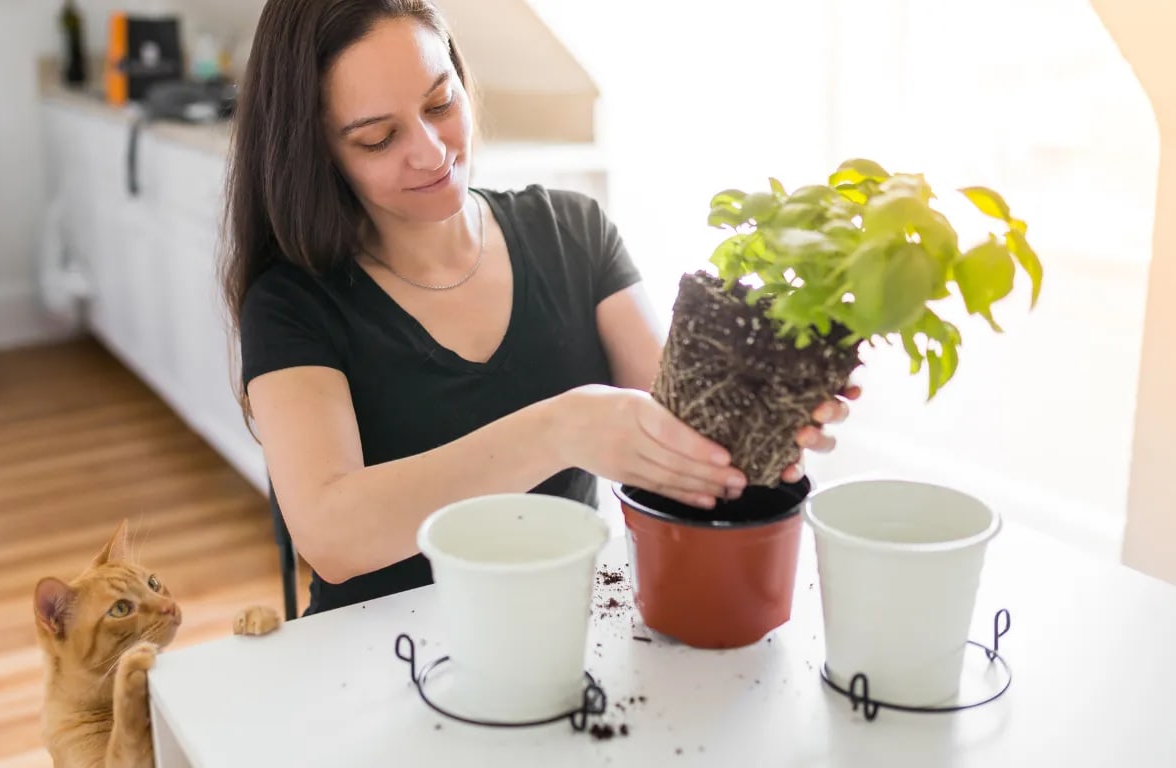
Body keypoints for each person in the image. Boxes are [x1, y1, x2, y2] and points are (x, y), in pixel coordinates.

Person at [221, 0, 856, 615]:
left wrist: (768, 416)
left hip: (561, 629)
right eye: (379, 139)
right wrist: (564, 428)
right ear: (319, 152)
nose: (432, 151)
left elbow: (678, 441)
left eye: (441, 104)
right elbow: (334, 538)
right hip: (379, 659)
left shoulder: (574, 232)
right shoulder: (292, 303)